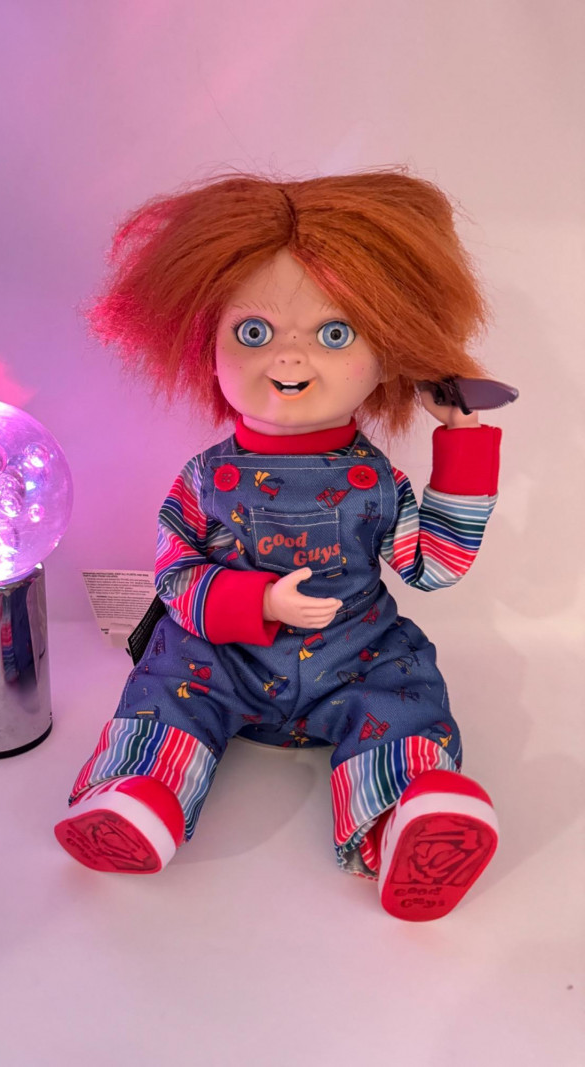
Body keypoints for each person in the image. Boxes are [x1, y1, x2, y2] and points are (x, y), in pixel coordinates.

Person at [55, 170, 503, 921]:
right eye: (254, 332)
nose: (290, 361)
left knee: (401, 694)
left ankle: (407, 814)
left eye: (335, 334)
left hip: (353, 656)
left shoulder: (379, 482)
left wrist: (463, 443)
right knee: (167, 681)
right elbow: (175, 570)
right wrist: (255, 601)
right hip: (222, 657)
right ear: (206, 347)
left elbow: (433, 565)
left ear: (389, 354)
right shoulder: (205, 478)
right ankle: (139, 794)